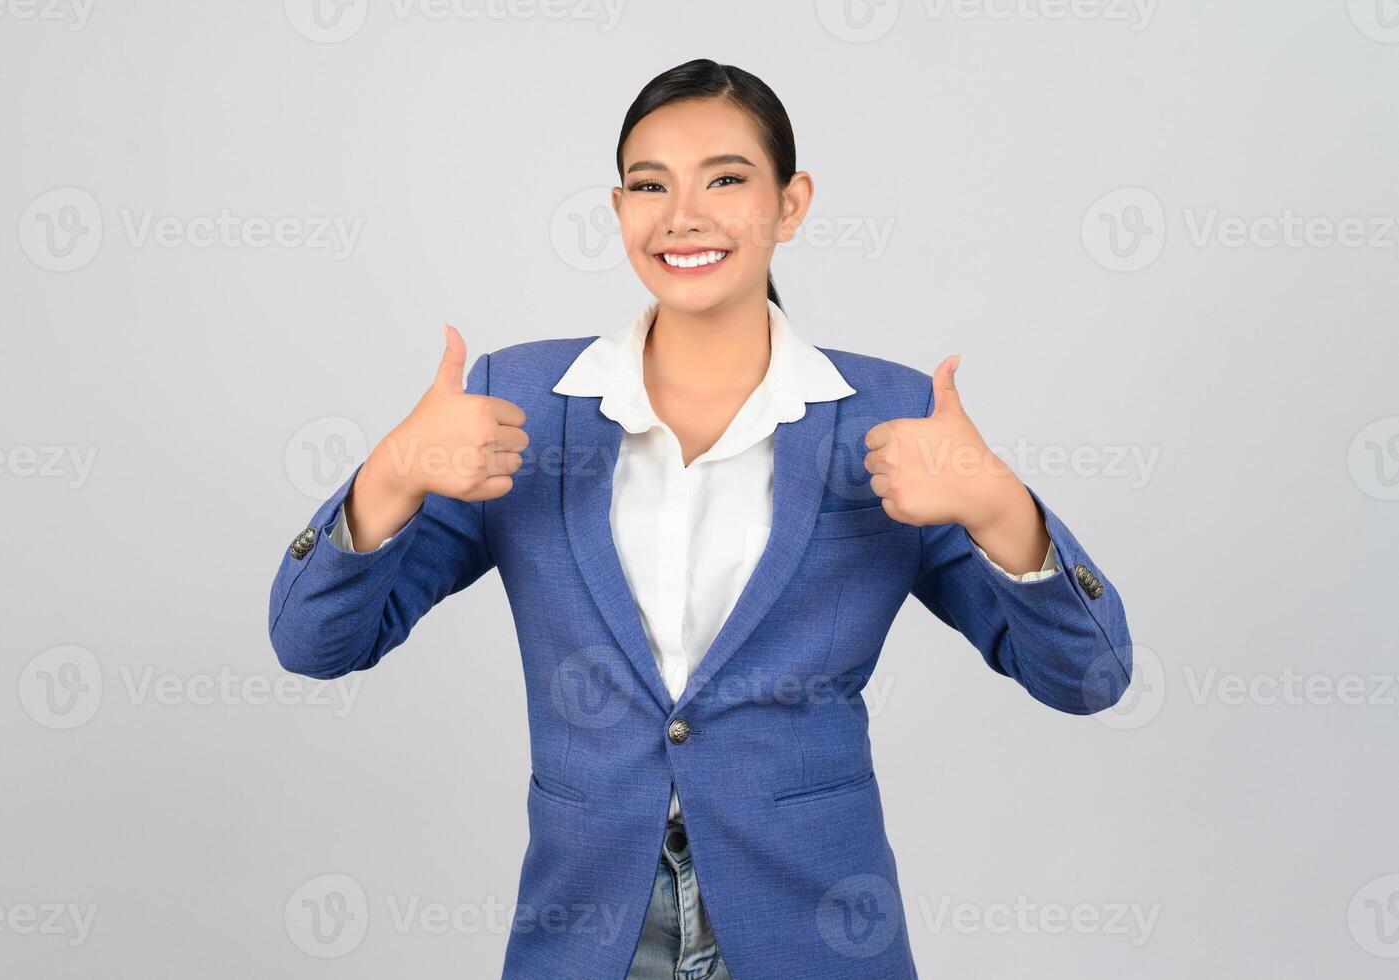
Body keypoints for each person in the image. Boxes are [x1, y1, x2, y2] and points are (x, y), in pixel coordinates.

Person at [270, 58, 1132, 980]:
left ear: (790, 204)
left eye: (725, 179)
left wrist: (1000, 505)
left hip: (815, 930)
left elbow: (1087, 677)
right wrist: (391, 475)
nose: (682, 215)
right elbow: (315, 644)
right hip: (589, 932)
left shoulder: (892, 419)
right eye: (651, 185)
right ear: (618, 209)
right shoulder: (519, 403)